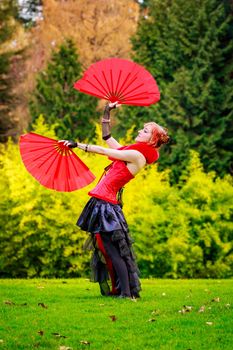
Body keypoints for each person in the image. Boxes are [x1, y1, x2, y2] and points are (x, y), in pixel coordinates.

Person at [60, 102, 170, 299]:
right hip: (104, 203)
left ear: (152, 139)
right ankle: (123, 291)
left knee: (113, 251)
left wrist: (78, 145)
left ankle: (126, 293)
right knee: (109, 250)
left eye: (144, 130)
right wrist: (106, 111)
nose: (139, 130)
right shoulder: (132, 152)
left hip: (106, 206)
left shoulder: (137, 156)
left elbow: (105, 151)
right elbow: (107, 139)